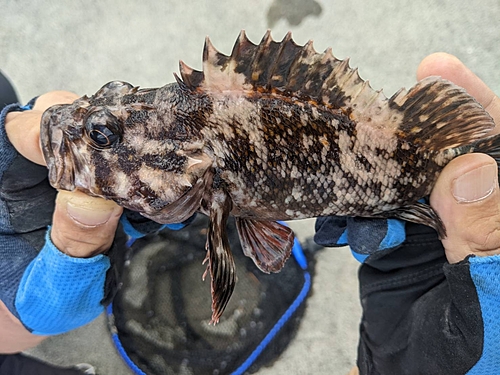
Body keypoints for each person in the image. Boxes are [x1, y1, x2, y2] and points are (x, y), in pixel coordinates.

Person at [0, 51, 498, 375]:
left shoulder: (206, 153)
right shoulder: (193, 144)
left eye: (103, 136)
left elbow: (262, 245)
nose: (57, 126)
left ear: (189, 160)